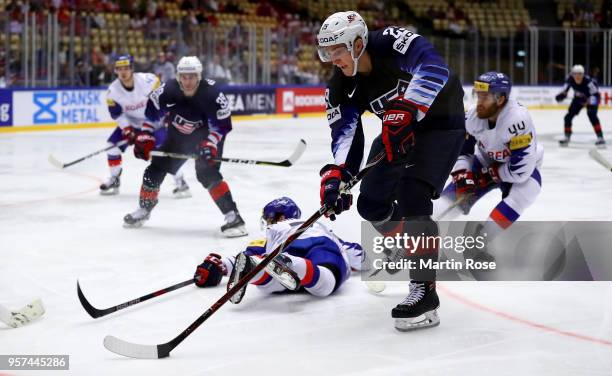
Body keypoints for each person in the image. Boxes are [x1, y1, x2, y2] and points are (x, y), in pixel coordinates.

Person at [316, 11, 466, 331]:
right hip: (396, 131)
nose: (332, 59)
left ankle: (425, 294)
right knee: (371, 202)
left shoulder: (390, 42)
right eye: (327, 52)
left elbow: (434, 66)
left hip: (441, 124)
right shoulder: (340, 86)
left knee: (413, 194)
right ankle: (405, 244)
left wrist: (409, 108)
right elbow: (345, 136)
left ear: (357, 44)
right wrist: (337, 178)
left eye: (337, 51)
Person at [123, 56, 247, 238]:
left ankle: (234, 218)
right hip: (177, 137)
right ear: (178, 76)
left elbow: (222, 126)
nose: (188, 81)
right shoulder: (167, 90)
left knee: (207, 174)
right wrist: (145, 134)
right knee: (154, 170)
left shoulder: (213, 95)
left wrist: (210, 143)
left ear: (199, 76)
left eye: (192, 76)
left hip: (207, 138)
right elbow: (151, 116)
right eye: (184, 76)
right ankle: (143, 210)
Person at [436, 72, 543, 241]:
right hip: (485, 160)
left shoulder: (517, 121)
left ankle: (480, 242)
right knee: (454, 194)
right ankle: (415, 234)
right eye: (478, 96)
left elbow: (521, 169)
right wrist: (463, 175)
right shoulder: (472, 117)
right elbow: (462, 150)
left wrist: (491, 175)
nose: (479, 103)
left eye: (484, 97)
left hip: (516, 169)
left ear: (500, 99)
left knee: (528, 190)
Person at [192, 197, 364, 302]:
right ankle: (293, 265)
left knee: (267, 280)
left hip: (285, 248)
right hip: (322, 245)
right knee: (327, 283)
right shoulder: (317, 225)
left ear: (281, 217)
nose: (267, 222)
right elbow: (355, 252)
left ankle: (258, 269)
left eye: (268, 218)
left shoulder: (276, 228)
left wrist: (221, 267)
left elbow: (248, 254)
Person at [101, 54, 191, 198]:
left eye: (126, 68)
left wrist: (169, 115)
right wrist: (128, 130)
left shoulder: (148, 80)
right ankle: (114, 180)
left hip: (155, 123)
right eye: (119, 69)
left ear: (132, 68)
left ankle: (181, 182)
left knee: (161, 153)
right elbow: (117, 114)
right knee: (112, 146)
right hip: (133, 125)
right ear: (115, 71)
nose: (123, 72)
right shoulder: (113, 91)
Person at [556, 64, 606, 148]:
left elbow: (597, 96)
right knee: (568, 117)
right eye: (575, 74)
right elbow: (565, 89)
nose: (577, 76)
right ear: (572, 74)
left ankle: (600, 137)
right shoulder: (570, 79)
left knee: (592, 115)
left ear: (583, 74)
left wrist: (590, 101)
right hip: (578, 99)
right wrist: (561, 96)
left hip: (590, 99)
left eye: (580, 74)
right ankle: (567, 137)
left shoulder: (589, 82)